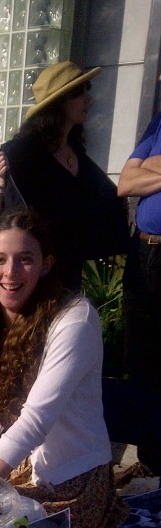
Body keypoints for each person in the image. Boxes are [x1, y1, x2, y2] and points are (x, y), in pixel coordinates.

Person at [0, 210, 128, 528]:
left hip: (71, 484)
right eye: (0, 259)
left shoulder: (75, 318)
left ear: (46, 265)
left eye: (25, 259)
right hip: (11, 473)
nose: (10, 272)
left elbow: (35, 421)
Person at [0, 62, 129, 292]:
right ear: (59, 103)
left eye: (87, 90)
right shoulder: (23, 152)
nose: (89, 99)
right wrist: (0, 182)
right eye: (79, 93)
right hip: (29, 274)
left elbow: (106, 199)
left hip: (67, 272)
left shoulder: (77, 154)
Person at [116, 78, 161, 474]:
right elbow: (125, 183)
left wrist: (150, 168)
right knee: (141, 355)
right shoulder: (157, 124)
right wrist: (144, 170)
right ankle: (149, 462)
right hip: (143, 249)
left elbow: (138, 176)